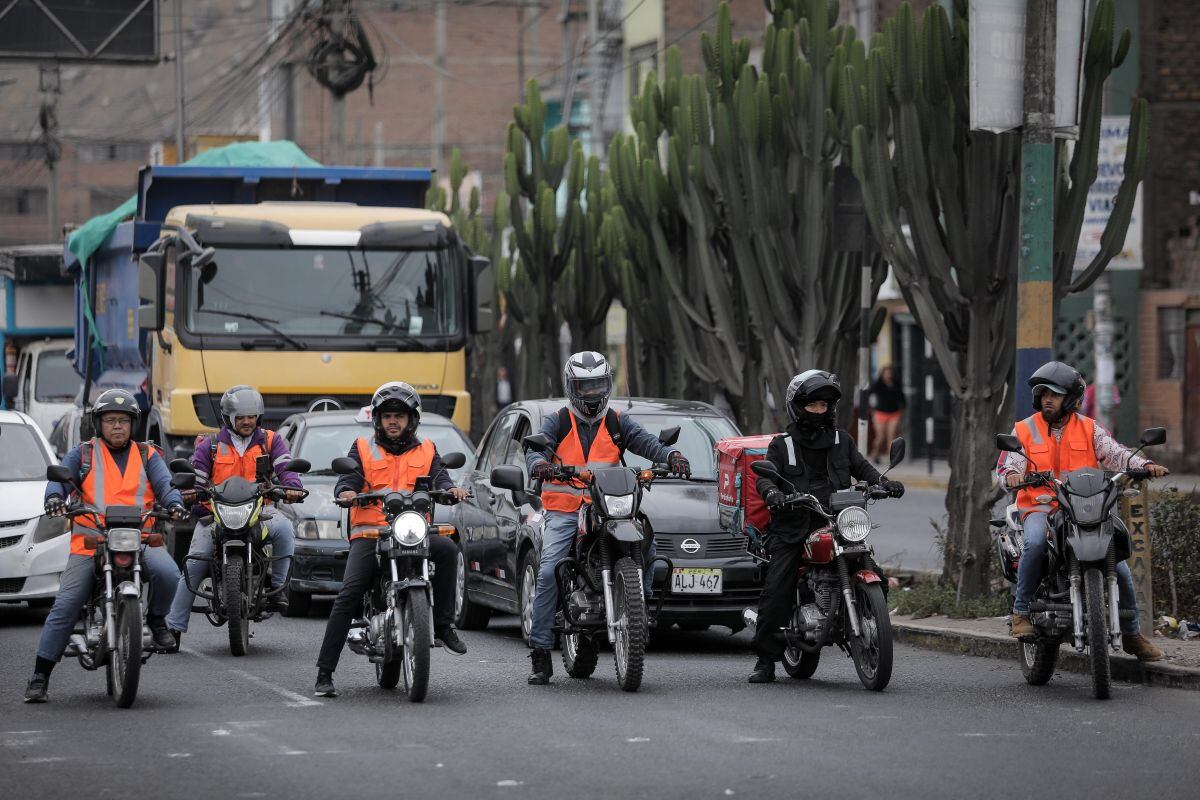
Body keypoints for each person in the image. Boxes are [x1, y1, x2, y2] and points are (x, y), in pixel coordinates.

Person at [525, 351, 692, 686]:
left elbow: (646, 442)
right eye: (584, 387)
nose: (591, 393)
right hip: (566, 510)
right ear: (572, 387)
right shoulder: (557, 420)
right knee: (548, 570)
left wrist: (671, 455)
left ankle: (637, 611)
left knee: (647, 543)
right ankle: (541, 651)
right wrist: (539, 463)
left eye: (597, 385)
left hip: (610, 505)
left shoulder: (617, 420)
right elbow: (535, 450)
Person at [24, 388, 186, 703]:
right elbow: (59, 479)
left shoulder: (148, 455)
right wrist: (55, 497)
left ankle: (156, 619)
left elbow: (166, 485)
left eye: (123, 421)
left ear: (133, 425)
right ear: (99, 424)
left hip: (140, 537)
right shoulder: (82, 453)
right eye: (110, 420)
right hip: (91, 539)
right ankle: (40, 676)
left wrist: (175, 503)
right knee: (68, 602)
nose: (117, 426)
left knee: (169, 574)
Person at [997, 361, 1167, 660]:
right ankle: (1021, 611)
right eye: (1044, 393)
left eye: (1055, 394)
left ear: (1072, 399)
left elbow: (1117, 455)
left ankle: (1131, 633)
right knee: (1035, 543)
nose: (1047, 399)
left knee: (1120, 563)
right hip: (1041, 506)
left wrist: (1145, 466)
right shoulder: (1024, 429)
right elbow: (1008, 464)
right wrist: (1012, 475)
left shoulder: (1089, 428)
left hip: (1085, 507)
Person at [314, 382, 469, 698]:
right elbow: (348, 480)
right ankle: (325, 672)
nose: (393, 422)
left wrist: (451, 491)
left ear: (412, 419)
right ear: (377, 420)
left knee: (448, 549)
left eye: (399, 416)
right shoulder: (362, 447)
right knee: (349, 591)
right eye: (387, 416)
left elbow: (441, 479)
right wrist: (346, 493)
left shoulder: (427, 450)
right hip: (371, 531)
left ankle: (443, 624)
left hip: (414, 529)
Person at [749, 370, 904, 684]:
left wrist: (883, 483)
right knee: (778, 586)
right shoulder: (782, 446)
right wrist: (773, 494)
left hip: (838, 521)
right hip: (795, 525)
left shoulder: (841, 440)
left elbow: (862, 468)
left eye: (824, 405)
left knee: (877, 574)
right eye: (813, 405)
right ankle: (766, 659)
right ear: (798, 407)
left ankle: (862, 618)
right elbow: (766, 476)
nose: (819, 411)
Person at [167, 385, 303, 637]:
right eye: (240, 417)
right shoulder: (210, 445)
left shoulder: (272, 441)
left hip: (260, 514)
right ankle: (173, 627)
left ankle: (279, 588)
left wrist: (292, 487)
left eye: (251, 416)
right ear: (228, 418)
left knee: (284, 528)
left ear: (259, 416)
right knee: (195, 560)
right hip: (216, 516)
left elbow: (286, 469)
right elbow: (195, 477)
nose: (247, 422)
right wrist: (191, 493)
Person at [868, 365, 905, 462]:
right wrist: (871, 409)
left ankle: (892, 458)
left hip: (894, 413)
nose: (889, 375)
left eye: (890, 373)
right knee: (880, 437)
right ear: (882, 374)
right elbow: (868, 394)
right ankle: (875, 454)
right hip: (880, 413)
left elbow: (902, 397)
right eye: (886, 373)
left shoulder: (896, 384)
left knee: (891, 436)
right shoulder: (878, 384)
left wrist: (902, 409)